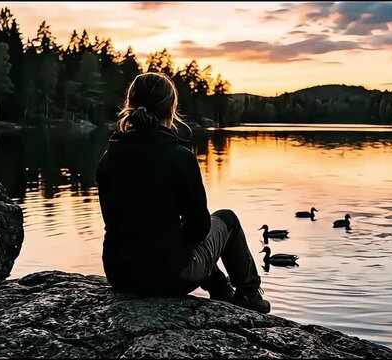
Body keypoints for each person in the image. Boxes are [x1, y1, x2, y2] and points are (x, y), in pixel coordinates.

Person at [95, 72, 270, 313]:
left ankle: (222, 290)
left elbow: (114, 221)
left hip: (119, 273)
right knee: (227, 219)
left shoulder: (109, 156)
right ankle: (251, 296)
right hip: (167, 277)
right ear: (171, 108)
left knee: (176, 242)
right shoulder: (179, 156)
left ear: (131, 105)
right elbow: (200, 229)